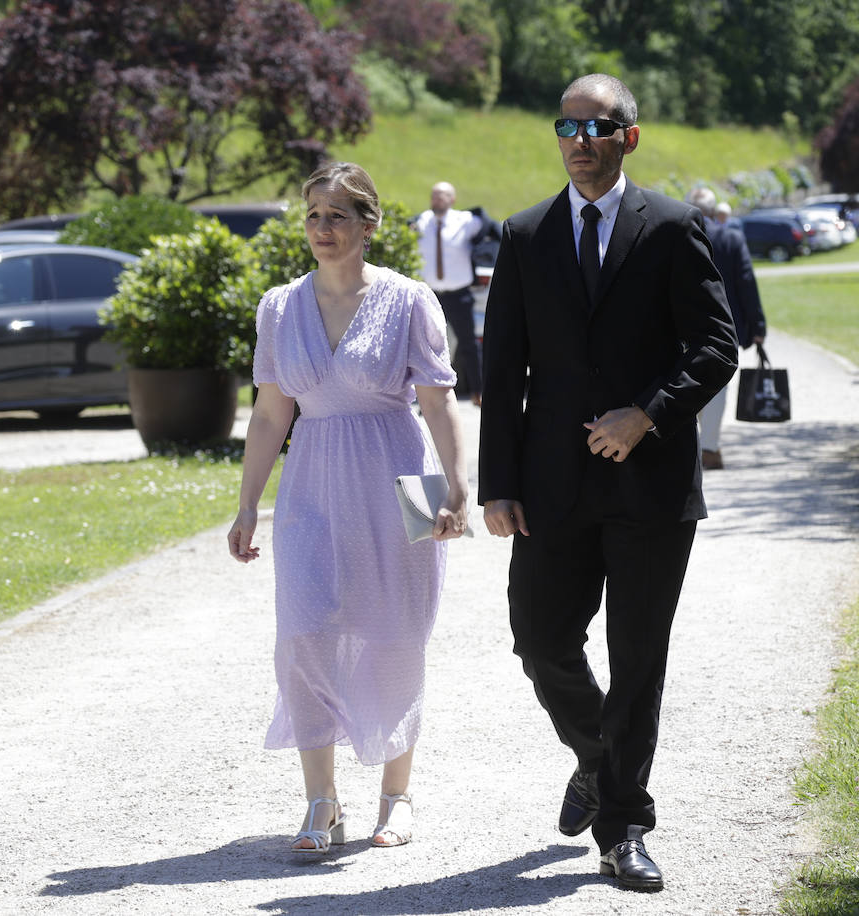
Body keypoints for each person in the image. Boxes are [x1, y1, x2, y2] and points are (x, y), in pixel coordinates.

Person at [478, 74, 737, 892]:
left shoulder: (673, 227)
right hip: (552, 487)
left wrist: (648, 414)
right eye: (568, 125)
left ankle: (624, 826)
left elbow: (714, 347)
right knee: (539, 638)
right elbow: (503, 369)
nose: (580, 139)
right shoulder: (523, 236)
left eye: (597, 126)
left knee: (637, 660)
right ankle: (599, 754)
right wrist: (497, 485)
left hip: (651, 488)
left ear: (629, 135)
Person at [228, 161, 469, 855]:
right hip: (311, 485)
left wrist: (456, 486)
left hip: (408, 477)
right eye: (313, 215)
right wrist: (248, 504)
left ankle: (397, 795)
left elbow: (438, 399)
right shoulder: (278, 307)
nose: (323, 228)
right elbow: (271, 415)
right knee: (304, 631)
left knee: (401, 632)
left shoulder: (411, 299)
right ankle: (320, 800)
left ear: (370, 225)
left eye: (337, 215)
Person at [687, 186, 767, 470]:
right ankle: (709, 448)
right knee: (716, 387)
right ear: (713, 211)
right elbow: (746, 283)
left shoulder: (674, 236)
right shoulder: (731, 238)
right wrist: (757, 325)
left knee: (685, 383)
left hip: (682, 326)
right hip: (724, 325)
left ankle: (691, 446)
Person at [414, 181, 486, 406]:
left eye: (443, 196)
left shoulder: (465, 221)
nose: (438, 199)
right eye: (434, 195)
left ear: (452, 199)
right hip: (429, 293)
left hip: (458, 294)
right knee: (422, 344)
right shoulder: (422, 221)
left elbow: (489, 229)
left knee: (468, 343)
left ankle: (478, 391)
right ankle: (423, 393)